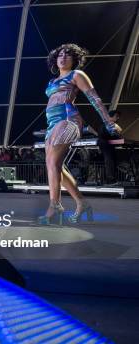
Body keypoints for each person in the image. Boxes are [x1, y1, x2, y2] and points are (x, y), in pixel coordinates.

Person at [39, 43, 120, 225]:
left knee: (52, 163)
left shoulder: (77, 75)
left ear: (74, 59)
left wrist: (108, 122)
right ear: (55, 58)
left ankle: (55, 205)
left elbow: (94, 99)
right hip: (52, 123)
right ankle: (81, 203)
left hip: (68, 119)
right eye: (60, 54)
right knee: (55, 165)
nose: (63, 57)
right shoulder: (52, 81)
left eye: (68, 55)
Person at [98, 110, 123, 185]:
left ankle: (111, 179)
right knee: (109, 162)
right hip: (105, 144)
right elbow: (109, 135)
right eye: (116, 116)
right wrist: (118, 136)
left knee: (111, 161)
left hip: (108, 145)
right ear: (110, 117)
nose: (118, 118)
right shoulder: (108, 124)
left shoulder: (112, 125)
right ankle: (110, 180)